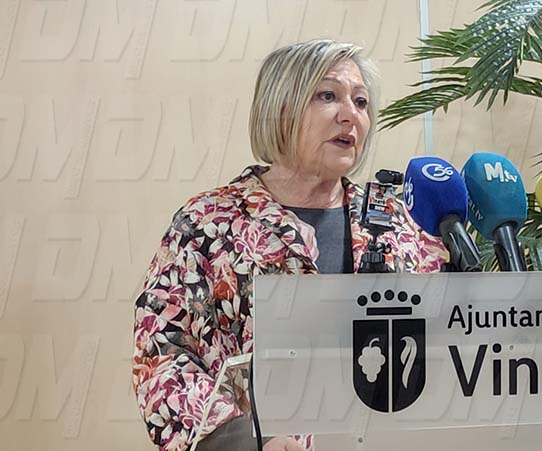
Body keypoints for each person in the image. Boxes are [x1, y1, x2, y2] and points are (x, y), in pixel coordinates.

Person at [132, 39, 448, 451]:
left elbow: (450, 337)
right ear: (280, 109)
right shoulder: (208, 222)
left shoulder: (400, 221)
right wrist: (247, 441)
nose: (350, 115)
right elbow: (160, 353)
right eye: (328, 95)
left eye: (361, 102)